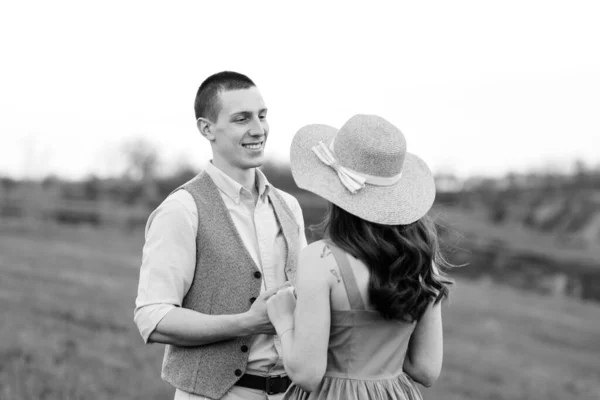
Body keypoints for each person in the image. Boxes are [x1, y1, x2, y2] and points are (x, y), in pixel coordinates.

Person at [134, 71, 307, 400]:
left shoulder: (290, 207)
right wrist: (246, 322)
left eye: (262, 116)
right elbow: (152, 316)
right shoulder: (182, 209)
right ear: (206, 128)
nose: (258, 129)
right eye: (242, 119)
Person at [266, 114, 453, 399]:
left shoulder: (322, 259)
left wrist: (283, 319)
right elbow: (425, 369)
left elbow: (306, 374)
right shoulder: (419, 261)